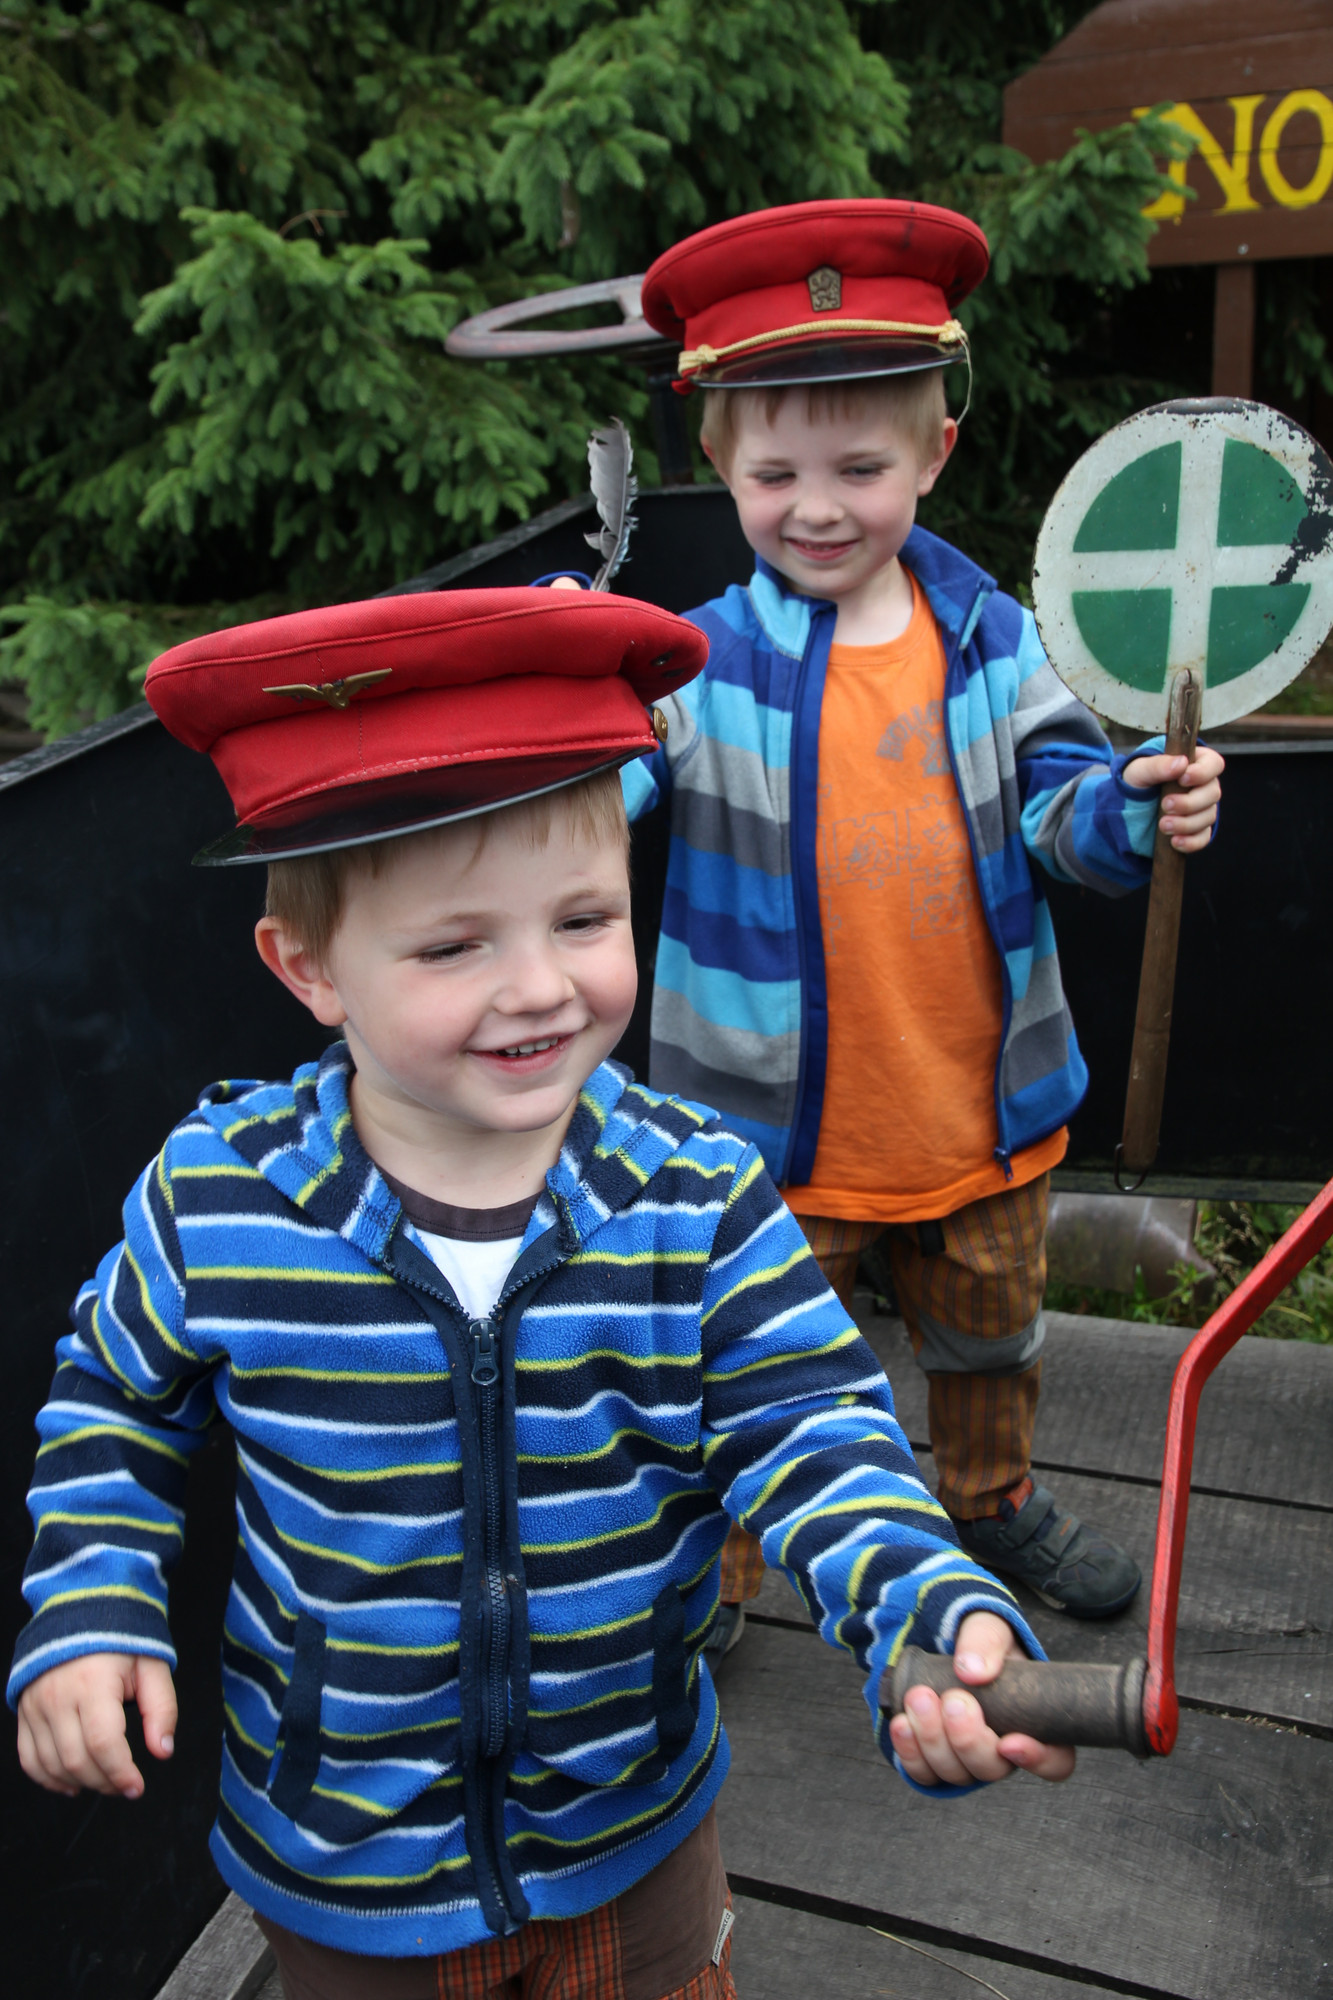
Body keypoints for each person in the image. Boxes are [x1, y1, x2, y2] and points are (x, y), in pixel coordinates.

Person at [9, 587, 1072, 2000]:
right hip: (346, 1865)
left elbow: (816, 1435)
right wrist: (92, 1598)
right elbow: (113, 1404)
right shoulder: (219, 1198)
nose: (539, 988)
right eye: (454, 946)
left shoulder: (693, 1197)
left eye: (583, 918)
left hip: (632, 1832)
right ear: (309, 967)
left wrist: (922, 1613)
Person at [622, 199, 1224, 1651]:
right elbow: (604, 786)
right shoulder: (696, 665)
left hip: (974, 1112)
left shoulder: (990, 641)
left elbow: (1064, 810)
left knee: (991, 1334)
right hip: (762, 1138)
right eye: (774, 473)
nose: (816, 507)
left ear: (934, 454)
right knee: (747, 1362)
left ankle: (987, 1496)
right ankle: (723, 1570)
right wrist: (555, 716)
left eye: (860, 468)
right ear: (720, 461)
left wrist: (1133, 810)